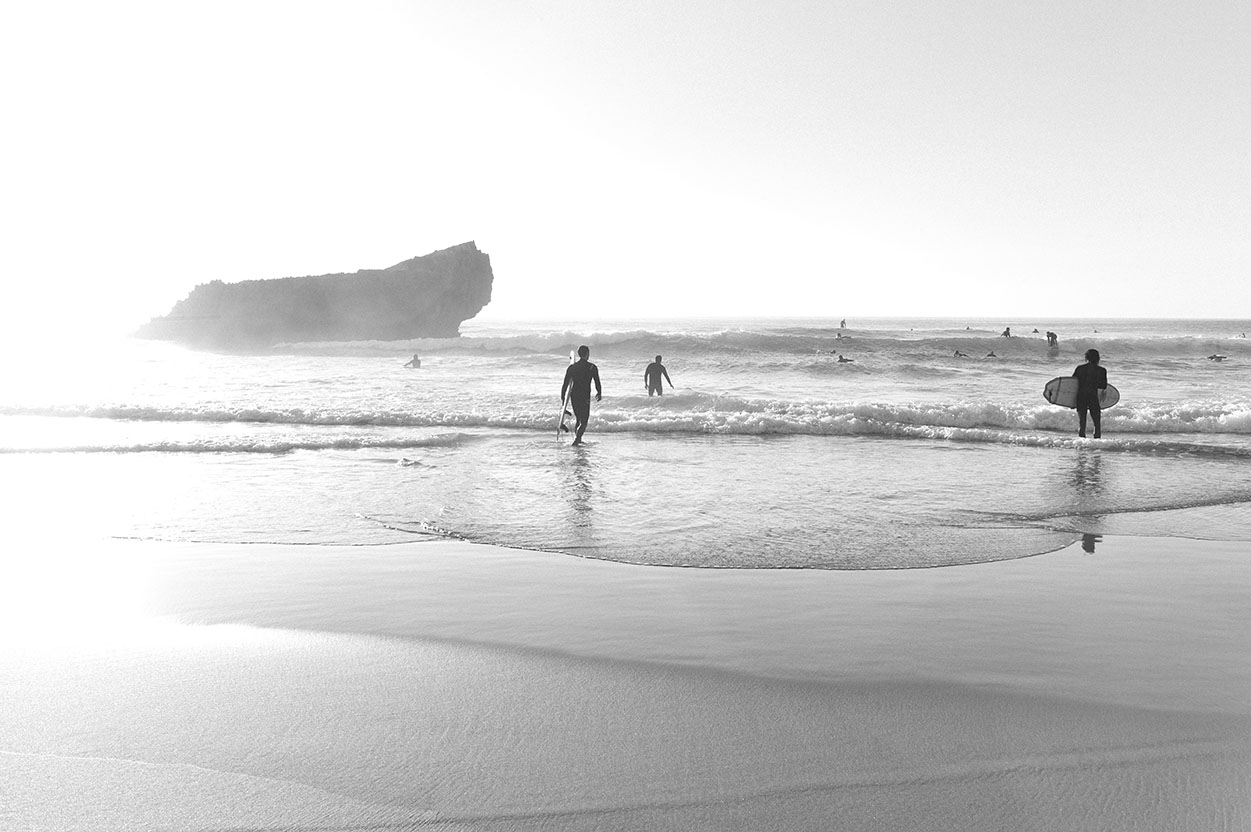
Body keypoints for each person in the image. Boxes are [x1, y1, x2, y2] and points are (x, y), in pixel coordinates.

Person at [561, 345, 602, 445]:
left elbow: (565, 384)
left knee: (578, 419)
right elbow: (597, 382)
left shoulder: (572, 367)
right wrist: (599, 393)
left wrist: (563, 399)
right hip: (585, 396)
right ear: (587, 354)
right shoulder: (592, 367)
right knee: (584, 421)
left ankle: (578, 438)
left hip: (574, 396)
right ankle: (577, 439)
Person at [1073, 348, 1109, 438]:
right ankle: (1097, 442)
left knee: (1082, 422)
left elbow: (1072, 384)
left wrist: (1070, 401)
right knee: (1097, 423)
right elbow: (1103, 386)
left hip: (1081, 396)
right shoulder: (1102, 370)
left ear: (1086, 357)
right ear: (1098, 358)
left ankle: (1081, 443)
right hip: (1092, 396)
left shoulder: (1080, 368)